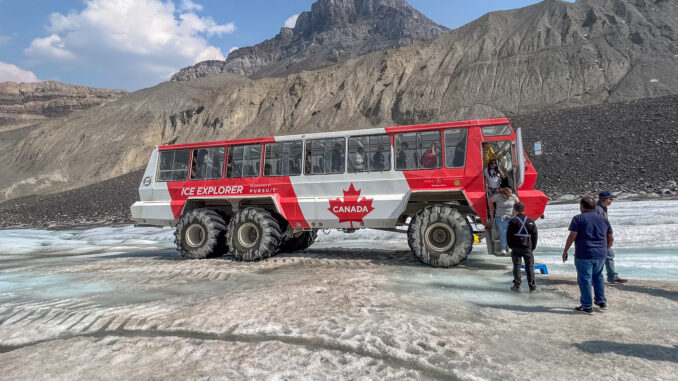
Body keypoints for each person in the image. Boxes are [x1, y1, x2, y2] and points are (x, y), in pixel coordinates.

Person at [562, 196, 613, 314]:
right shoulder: (603, 218)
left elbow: (572, 236)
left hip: (584, 253)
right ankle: (601, 301)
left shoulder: (578, 218)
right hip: (600, 254)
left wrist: (565, 251)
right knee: (598, 276)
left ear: (582, 206)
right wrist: (605, 249)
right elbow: (610, 237)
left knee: (585, 279)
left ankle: (586, 305)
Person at [596, 190, 628, 284]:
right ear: (606, 199)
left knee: (608, 255)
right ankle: (609, 277)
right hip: (601, 237)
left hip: (603, 236)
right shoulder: (598, 209)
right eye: (611, 199)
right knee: (606, 256)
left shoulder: (602, 208)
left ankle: (612, 276)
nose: (612, 201)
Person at [507, 202, 538, 293]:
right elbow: (535, 235)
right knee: (529, 266)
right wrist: (532, 247)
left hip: (516, 247)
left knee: (516, 266)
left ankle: (517, 285)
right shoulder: (531, 221)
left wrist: (510, 246)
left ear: (514, 210)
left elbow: (509, 235)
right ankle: (532, 287)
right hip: (527, 247)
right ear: (524, 210)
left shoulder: (513, 221)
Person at [489, 187, 519, 256]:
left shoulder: (513, 196)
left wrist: (517, 211)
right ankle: (503, 249)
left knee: (511, 233)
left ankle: (509, 248)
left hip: (511, 217)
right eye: (507, 196)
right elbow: (490, 200)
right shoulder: (498, 196)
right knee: (503, 232)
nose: (509, 197)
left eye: (510, 195)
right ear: (503, 194)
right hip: (500, 217)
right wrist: (492, 209)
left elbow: (518, 203)